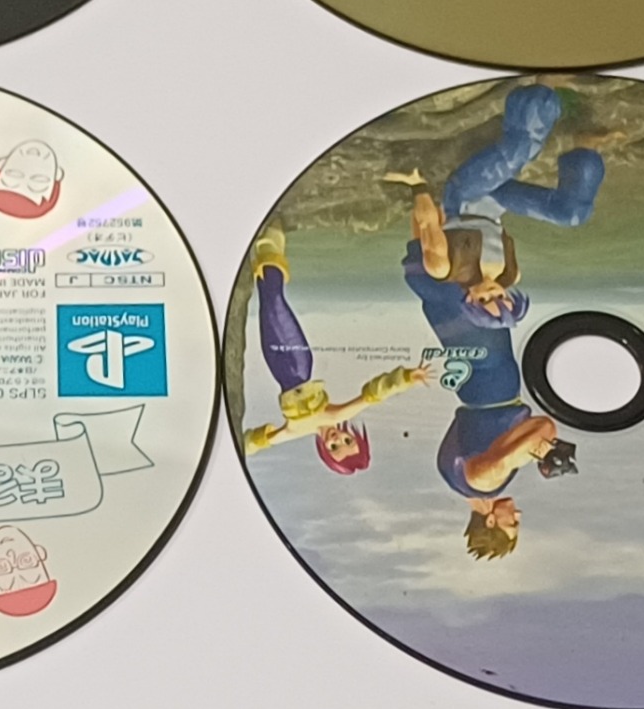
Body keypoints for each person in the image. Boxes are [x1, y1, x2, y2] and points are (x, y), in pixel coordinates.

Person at [390, 84, 606, 557]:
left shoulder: (483, 481)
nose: (518, 516)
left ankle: (540, 93)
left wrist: (542, 452)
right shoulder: (462, 478)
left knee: (520, 149)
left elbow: (542, 427)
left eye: (512, 525)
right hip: (484, 340)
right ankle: (585, 144)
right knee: (570, 213)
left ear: (490, 520)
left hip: (484, 354)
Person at [239, 225, 431, 471]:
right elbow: (373, 395)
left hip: (278, 371)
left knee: (268, 305)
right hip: (299, 365)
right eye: (348, 441)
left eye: (334, 447)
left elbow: (256, 443)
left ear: (324, 451)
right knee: (275, 304)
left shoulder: (296, 432)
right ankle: (269, 246)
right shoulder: (337, 416)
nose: (337, 438)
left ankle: (264, 251)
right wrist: (406, 378)